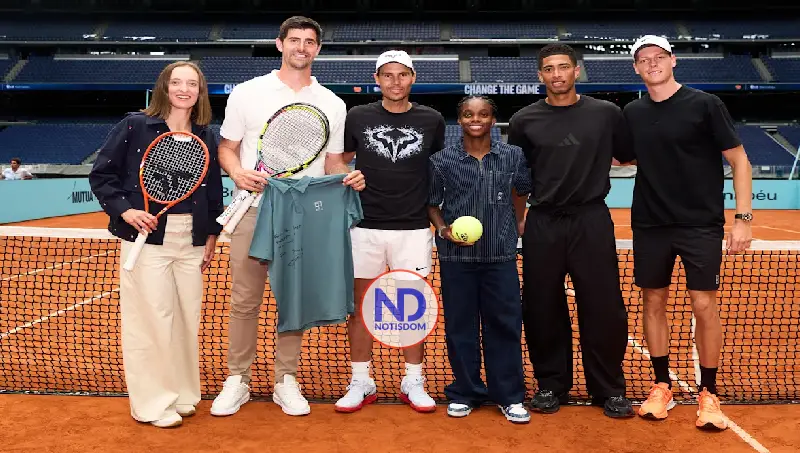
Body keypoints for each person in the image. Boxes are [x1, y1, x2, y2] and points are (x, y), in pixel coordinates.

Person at [209, 16, 365, 418]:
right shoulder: (247, 93)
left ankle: (285, 380)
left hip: (304, 215)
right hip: (253, 210)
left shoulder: (332, 103)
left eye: (309, 41)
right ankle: (237, 379)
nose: (302, 47)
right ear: (280, 44)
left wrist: (347, 178)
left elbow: (331, 162)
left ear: (317, 49)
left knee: (292, 300)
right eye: (294, 40)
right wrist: (237, 171)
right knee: (244, 299)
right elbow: (227, 147)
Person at [624, 35, 753, 430]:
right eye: (644, 59)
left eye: (658, 57)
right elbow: (621, 155)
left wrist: (743, 218)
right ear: (636, 68)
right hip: (650, 223)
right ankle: (661, 385)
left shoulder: (705, 104)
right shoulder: (632, 111)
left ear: (673, 60)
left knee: (703, 305)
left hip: (700, 223)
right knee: (653, 303)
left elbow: (739, 160)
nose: (652, 64)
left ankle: (708, 393)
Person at [89, 61, 222, 428]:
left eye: (191, 83)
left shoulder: (206, 134)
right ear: (164, 87)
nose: (184, 89)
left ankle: (181, 394)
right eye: (176, 82)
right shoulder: (135, 126)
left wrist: (210, 234)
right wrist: (127, 212)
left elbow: (211, 189)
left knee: (184, 320)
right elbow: (102, 175)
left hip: (191, 239)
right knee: (150, 322)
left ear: (200, 91)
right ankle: (150, 404)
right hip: (147, 240)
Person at [506, 43, 635, 419]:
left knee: (603, 307)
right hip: (543, 221)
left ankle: (609, 388)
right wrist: (519, 220)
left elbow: (628, 155)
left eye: (564, 67)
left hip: (591, 219)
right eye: (549, 69)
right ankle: (551, 384)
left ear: (577, 70)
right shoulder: (524, 121)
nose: (557, 74)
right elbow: (519, 179)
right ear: (540, 75)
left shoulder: (607, 114)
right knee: (542, 306)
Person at [333, 50, 446, 413]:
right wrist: (346, 176)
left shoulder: (432, 119)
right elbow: (337, 159)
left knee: (412, 310)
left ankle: (413, 379)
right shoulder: (358, 115)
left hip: (413, 228)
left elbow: (438, 168)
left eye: (402, 75)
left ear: (412, 78)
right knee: (362, 308)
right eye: (387, 75)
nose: (395, 82)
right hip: (363, 225)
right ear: (377, 79)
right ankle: (361, 380)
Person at [428, 95, 532, 423]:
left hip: (500, 255)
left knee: (504, 325)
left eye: (484, 114)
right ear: (459, 120)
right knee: (461, 327)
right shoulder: (441, 160)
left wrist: (517, 224)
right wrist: (443, 229)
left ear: (492, 119)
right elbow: (432, 203)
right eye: (469, 114)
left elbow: (521, 191)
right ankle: (466, 391)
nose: (477, 119)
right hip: (456, 257)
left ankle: (509, 395)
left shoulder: (513, 156)